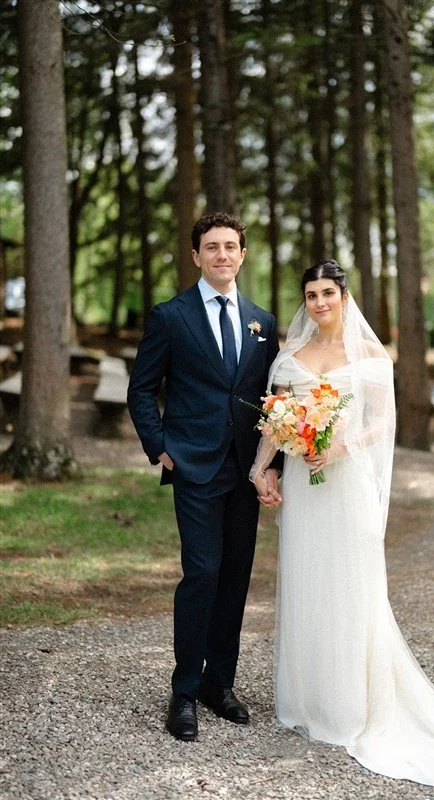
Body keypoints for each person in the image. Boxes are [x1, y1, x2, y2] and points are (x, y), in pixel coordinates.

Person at [252, 259, 434, 799]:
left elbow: (383, 420)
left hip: (347, 483)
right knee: (309, 582)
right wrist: (259, 469)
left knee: (353, 588)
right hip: (305, 491)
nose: (319, 303)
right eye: (310, 294)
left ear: (344, 295)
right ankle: (308, 701)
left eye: (327, 292)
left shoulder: (369, 355)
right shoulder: (289, 356)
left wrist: (341, 444)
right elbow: (277, 419)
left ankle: (352, 705)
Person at [127, 212, 282, 742]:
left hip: (245, 470)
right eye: (211, 247)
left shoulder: (262, 321)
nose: (221, 254)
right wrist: (161, 447)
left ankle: (221, 684)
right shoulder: (171, 316)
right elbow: (142, 389)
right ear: (196, 256)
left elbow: (272, 400)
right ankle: (185, 691)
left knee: (236, 579)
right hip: (193, 465)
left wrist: (270, 465)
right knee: (202, 575)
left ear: (242, 255)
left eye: (230, 246)